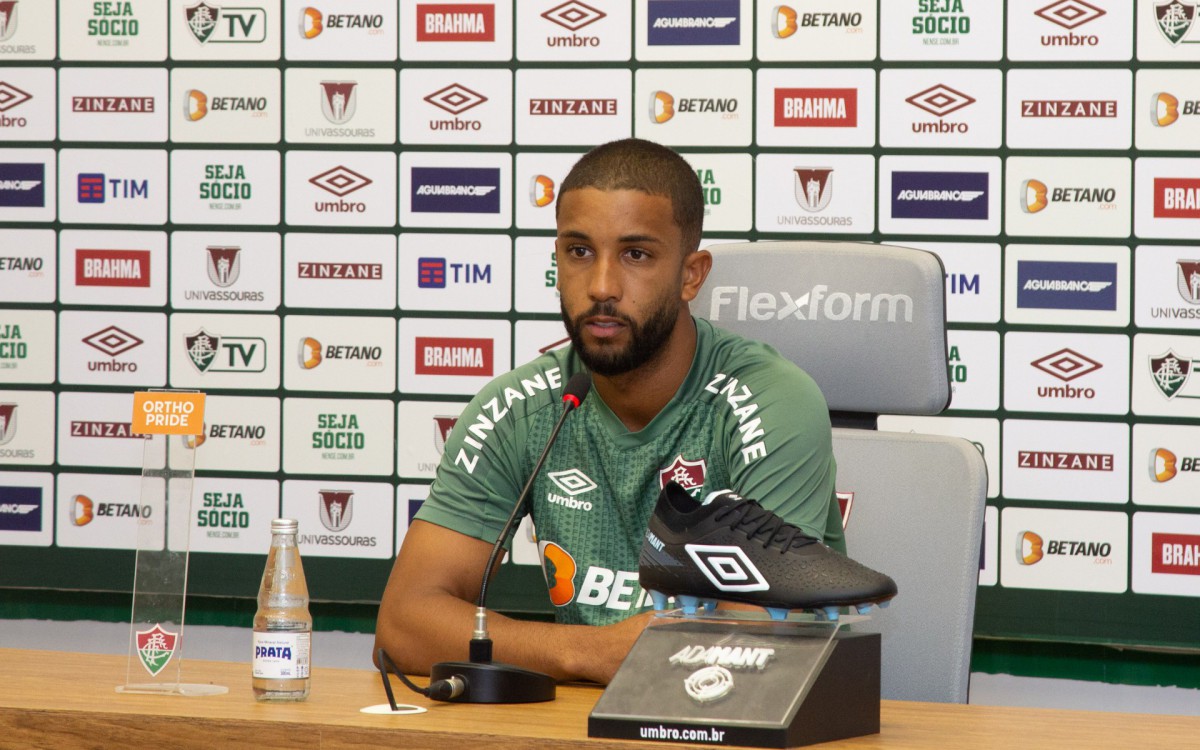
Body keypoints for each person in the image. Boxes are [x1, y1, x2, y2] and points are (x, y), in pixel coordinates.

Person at [375, 138, 842, 685]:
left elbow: (758, 635)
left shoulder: (769, 401)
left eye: (636, 254)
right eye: (578, 252)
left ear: (691, 275)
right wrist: (586, 653)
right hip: (579, 721)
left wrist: (576, 656)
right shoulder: (519, 409)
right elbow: (404, 625)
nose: (600, 286)